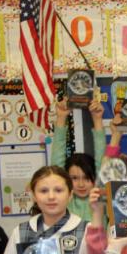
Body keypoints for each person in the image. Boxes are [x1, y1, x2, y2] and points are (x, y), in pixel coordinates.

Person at [50, 93, 106, 223]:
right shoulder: (64, 201)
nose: (81, 184)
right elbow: (56, 161)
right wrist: (61, 117)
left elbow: (102, 156)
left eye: (86, 178)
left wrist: (97, 120)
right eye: (74, 178)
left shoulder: (99, 200)